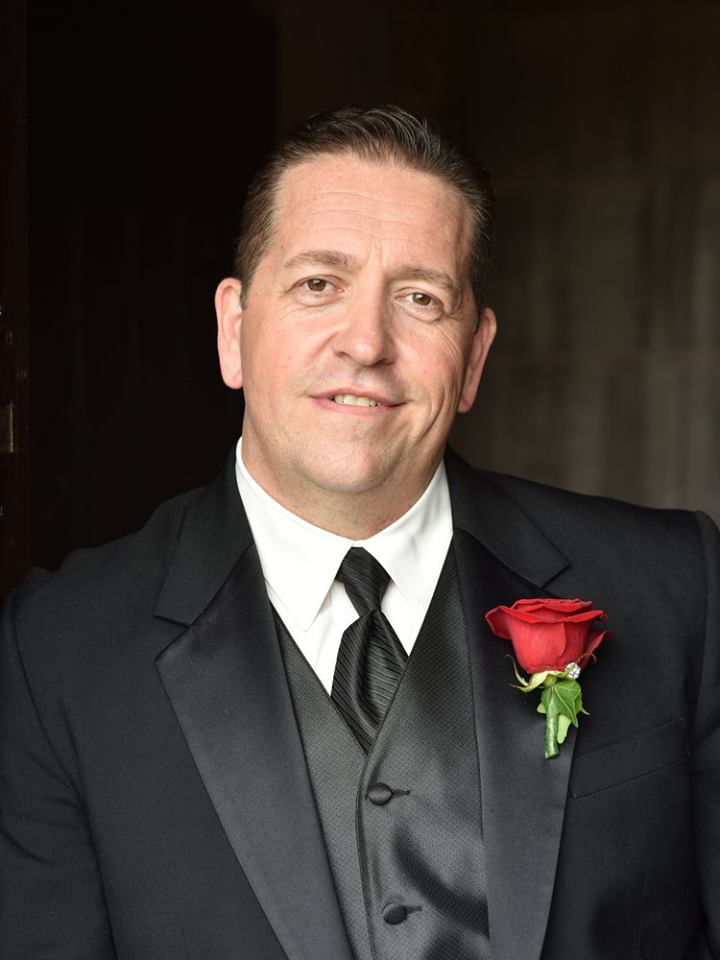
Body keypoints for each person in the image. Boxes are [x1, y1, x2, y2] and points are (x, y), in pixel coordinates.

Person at [1, 105, 717, 960]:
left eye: (420, 298)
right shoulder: (57, 650)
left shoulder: (677, 588)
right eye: (319, 285)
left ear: (474, 357)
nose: (368, 343)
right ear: (234, 330)